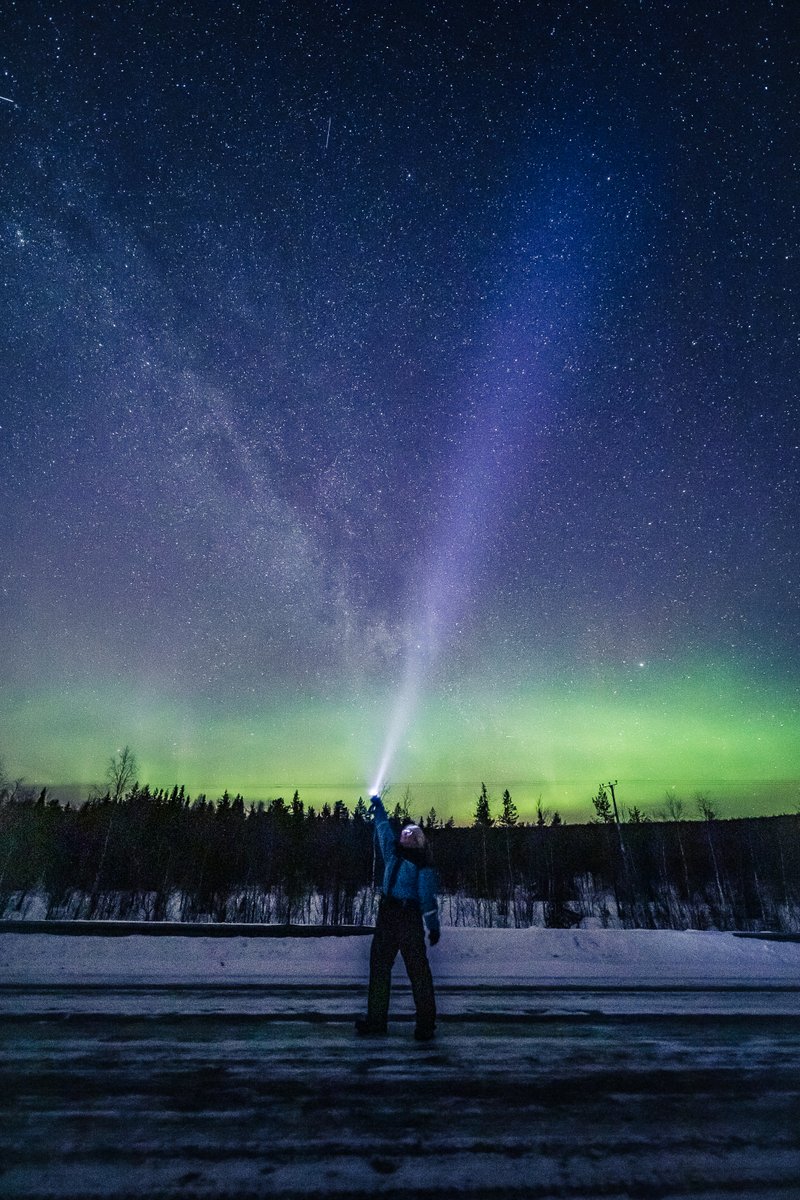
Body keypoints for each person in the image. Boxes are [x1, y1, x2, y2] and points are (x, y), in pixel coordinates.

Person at [355, 794, 440, 1041]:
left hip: (407, 917)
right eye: (405, 834)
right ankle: (376, 1021)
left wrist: (432, 926)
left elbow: (427, 899)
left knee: (417, 971)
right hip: (387, 916)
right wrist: (379, 809)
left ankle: (426, 1024)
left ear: (418, 841)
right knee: (380, 969)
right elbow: (383, 829)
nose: (406, 837)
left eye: (411, 835)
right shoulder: (393, 855)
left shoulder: (422, 865)